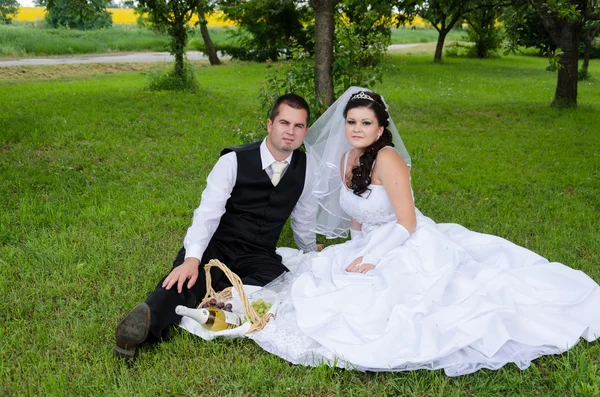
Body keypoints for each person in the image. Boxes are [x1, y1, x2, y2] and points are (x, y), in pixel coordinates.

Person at [247, 87, 600, 376]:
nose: (356, 129)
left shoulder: (389, 159)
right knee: (327, 280)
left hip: (404, 240)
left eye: (366, 123)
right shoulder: (345, 159)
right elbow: (356, 215)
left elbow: (407, 222)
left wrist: (373, 258)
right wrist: (355, 250)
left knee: (396, 303)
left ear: (380, 129)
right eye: (351, 122)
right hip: (370, 239)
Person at [114, 93, 319, 359]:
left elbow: (304, 217)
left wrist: (310, 251)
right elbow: (207, 214)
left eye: (298, 126)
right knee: (186, 280)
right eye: (284, 123)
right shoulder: (233, 161)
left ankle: (217, 301)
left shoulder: (307, 168)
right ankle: (142, 326)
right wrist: (191, 258)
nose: (290, 132)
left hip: (260, 254)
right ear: (270, 125)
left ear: (305, 131)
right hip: (218, 244)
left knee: (280, 284)